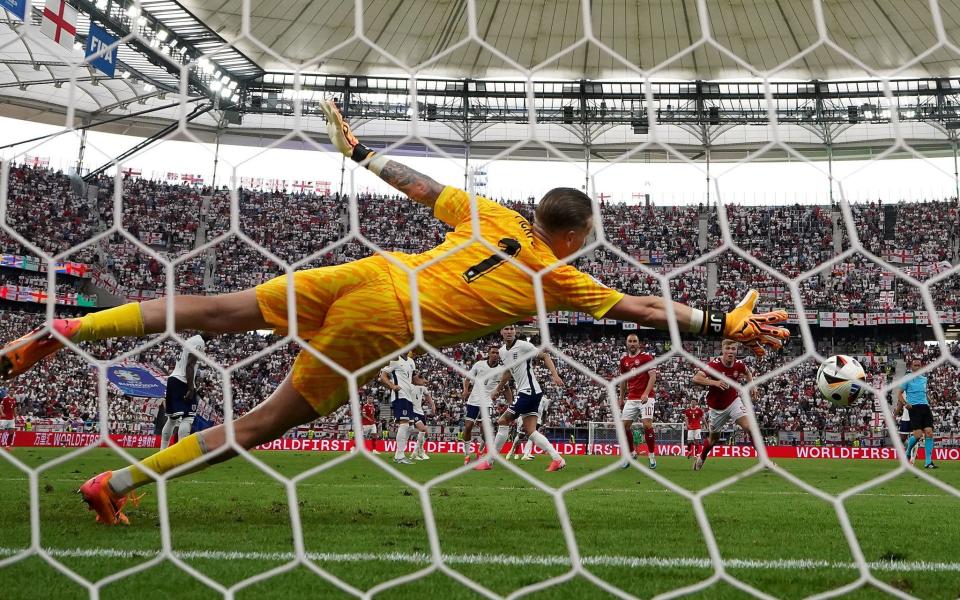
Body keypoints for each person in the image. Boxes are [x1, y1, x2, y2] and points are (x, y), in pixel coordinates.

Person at [0, 101, 789, 525]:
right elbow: (647, 307)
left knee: (216, 307)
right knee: (266, 421)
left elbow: (415, 184)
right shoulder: (559, 278)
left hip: (367, 272)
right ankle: (117, 482)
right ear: (577, 234)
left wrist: (356, 152)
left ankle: (61, 330)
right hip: (384, 324)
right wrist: (723, 322)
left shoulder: (490, 214)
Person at [475, 325, 568, 471]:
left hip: (528, 391)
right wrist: (498, 389)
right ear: (501, 332)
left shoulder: (524, 346)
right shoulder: (502, 351)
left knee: (503, 420)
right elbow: (508, 372)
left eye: (512, 329)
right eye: (506, 329)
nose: (509, 331)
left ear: (515, 331)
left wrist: (555, 375)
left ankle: (489, 461)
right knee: (530, 430)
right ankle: (557, 459)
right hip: (530, 392)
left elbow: (544, 356)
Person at [690, 340, 758, 471]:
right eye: (728, 348)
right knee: (712, 440)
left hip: (733, 402)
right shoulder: (713, 365)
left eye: (733, 349)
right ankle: (702, 457)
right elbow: (695, 378)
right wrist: (715, 382)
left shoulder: (739, 364)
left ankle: (764, 460)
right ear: (723, 350)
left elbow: (748, 373)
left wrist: (752, 385)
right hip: (716, 409)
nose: (731, 351)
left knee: (750, 428)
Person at [617, 333, 657, 469]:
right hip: (632, 398)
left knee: (647, 425)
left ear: (639, 343)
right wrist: (621, 398)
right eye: (630, 341)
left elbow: (653, 377)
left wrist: (646, 393)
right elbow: (623, 381)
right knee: (624, 427)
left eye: (635, 341)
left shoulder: (647, 358)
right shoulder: (624, 360)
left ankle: (651, 456)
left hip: (647, 397)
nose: (632, 343)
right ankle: (631, 454)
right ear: (627, 343)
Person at [160, 334, 205, 449]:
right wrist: (190, 388)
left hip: (173, 379)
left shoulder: (191, 340)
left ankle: (162, 451)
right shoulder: (199, 342)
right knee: (188, 417)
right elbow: (190, 365)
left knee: (172, 419)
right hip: (183, 381)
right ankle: (181, 452)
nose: (216, 335)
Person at [460, 346, 503, 465]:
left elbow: (505, 386)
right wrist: (465, 390)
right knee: (468, 427)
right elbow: (468, 378)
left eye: (497, 353)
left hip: (487, 403)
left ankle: (483, 453)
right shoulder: (479, 364)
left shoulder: (501, 369)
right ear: (488, 354)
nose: (495, 354)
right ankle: (467, 455)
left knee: (486, 429)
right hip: (473, 401)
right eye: (493, 352)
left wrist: (506, 399)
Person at [896, 358, 937, 469]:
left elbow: (924, 392)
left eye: (919, 365)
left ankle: (928, 462)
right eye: (915, 365)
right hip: (914, 408)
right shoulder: (906, 378)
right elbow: (899, 393)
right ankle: (908, 451)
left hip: (925, 407)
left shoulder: (924, 379)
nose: (917, 367)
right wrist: (905, 403)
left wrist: (930, 399)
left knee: (929, 433)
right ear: (911, 366)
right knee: (918, 435)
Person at [380, 351, 417, 465]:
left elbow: (412, 379)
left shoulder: (411, 361)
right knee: (404, 424)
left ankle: (399, 454)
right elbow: (382, 375)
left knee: (410, 427)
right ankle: (400, 456)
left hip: (409, 397)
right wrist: (392, 386)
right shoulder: (395, 361)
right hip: (400, 395)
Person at [410, 372, 436, 461]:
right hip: (412, 412)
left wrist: (433, 405)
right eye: (420, 377)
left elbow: (428, 396)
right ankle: (421, 452)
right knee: (423, 429)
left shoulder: (423, 388)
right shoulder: (409, 386)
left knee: (426, 433)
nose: (424, 380)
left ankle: (415, 453)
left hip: (420, 412)